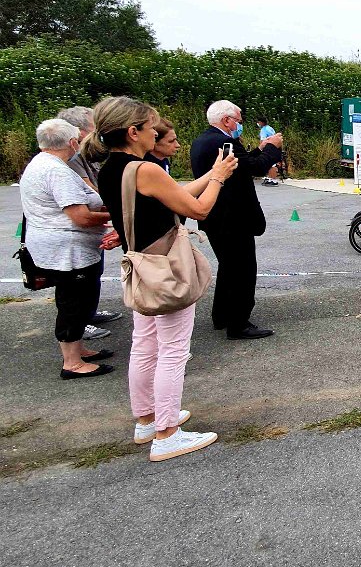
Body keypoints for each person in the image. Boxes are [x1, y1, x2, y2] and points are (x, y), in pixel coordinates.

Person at [92, 96, 239, 462]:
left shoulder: (112, 169)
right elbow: (198, 209)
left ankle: (147, 419)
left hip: (140, 265)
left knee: (145, 344)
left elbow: (173, 196)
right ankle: (167, 433)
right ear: (133, 132)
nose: (155, 135)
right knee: (173, 350)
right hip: (165, 266)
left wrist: (210, 174)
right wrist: (218, 179)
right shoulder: (146, 169)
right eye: (151, 129)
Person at [19, 118, 119, 380]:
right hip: (68, 250)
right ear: (73, 142)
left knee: (77, 299)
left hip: (61, 245)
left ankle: (78, 350)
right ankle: (72, 363)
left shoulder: (41, 163)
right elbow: (81, 217)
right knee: (74, 302)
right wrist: (117, 216)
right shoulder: (56, 171)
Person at [190, 100, 284, 339]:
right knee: (243, 270)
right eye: (238, 121)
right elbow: (256, 168)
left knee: (228, 268)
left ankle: (222, 315)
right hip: (233, 218)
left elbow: (243, 164)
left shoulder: (204, 140)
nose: (239, 125)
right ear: (226, 120)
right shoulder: (224, 142)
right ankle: (239, 323)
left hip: (216, 217)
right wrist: (272, 149)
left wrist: (260, 148)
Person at [57, 105, 123, 338]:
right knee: (77, 281)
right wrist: (117, 209)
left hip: (91, 230)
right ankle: (79, 323)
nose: (99, 134)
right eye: (94, 128)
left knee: (93, 273)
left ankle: (89, 313)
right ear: (78, 132)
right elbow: (91, 189)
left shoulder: (86, 155)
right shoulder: (69, 161)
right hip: (74, 233)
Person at [257, 117, 281, 187]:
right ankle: (270, 178)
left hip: (269, 148)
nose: (258, 123)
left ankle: (273, 180)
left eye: (259, 122)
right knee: (272, 163)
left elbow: (263, 141)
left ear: (261, 122)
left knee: (271, 164)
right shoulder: (270, 128)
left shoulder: (263, 130)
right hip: (275, 147)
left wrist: (261, 149)